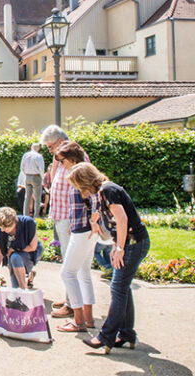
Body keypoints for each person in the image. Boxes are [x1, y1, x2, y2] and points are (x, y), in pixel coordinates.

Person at [69, 163, 150, 354]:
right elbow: (115, 224)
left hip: (134, 243)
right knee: (123, 287)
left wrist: (120, 247)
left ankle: (106, 337)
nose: (81, 191)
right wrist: (116, 245)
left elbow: (122, 220)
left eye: (79, 186)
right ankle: (127, 334)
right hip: (131, 242)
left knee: (118, 288)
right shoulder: (104, 192)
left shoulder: (108, 190)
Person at [52, 141, 99, 332]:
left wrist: (91, 221)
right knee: (84, 273)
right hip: (87, 230)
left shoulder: (79, 173)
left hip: (82, 230)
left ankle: (78, 320)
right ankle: (88, 319)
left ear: (71, 159)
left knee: (67, 273)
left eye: (62, 161)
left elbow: (94, 199)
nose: (61, 165)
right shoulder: (83, 170)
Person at [40, 124, 73, 314]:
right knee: (66, 258)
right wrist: (55, 157)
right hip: (61, 216)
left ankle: (72, 304)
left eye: (51, 147)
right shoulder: (60, 159)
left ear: (60, 142)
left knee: (70, 262)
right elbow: (52, 181)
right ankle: (70, 298)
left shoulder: (74, 157)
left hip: (70, 217)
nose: (50, 150)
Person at [0, 207, 44, 290]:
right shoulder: (1, 230)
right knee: (15, 288)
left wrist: (14, 249)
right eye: (1, 228)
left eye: (6, 228)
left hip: (31, 252)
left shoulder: (27, 223)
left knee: (15, 256)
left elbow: (33, 247)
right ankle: (28, 275)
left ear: (14, 222)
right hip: (14, 257)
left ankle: (23, 290)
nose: (3, 230)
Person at [20, 143, 45, 218]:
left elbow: (22, 168)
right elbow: (41, 169)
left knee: (27, 197)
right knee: (37, 198)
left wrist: (26, 174)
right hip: (36, 176)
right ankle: (36, 215)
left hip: (27, 176)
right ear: (38, 148)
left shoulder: (25, 155)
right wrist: (42, 178)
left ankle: (25, 214)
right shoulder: (39, 156)